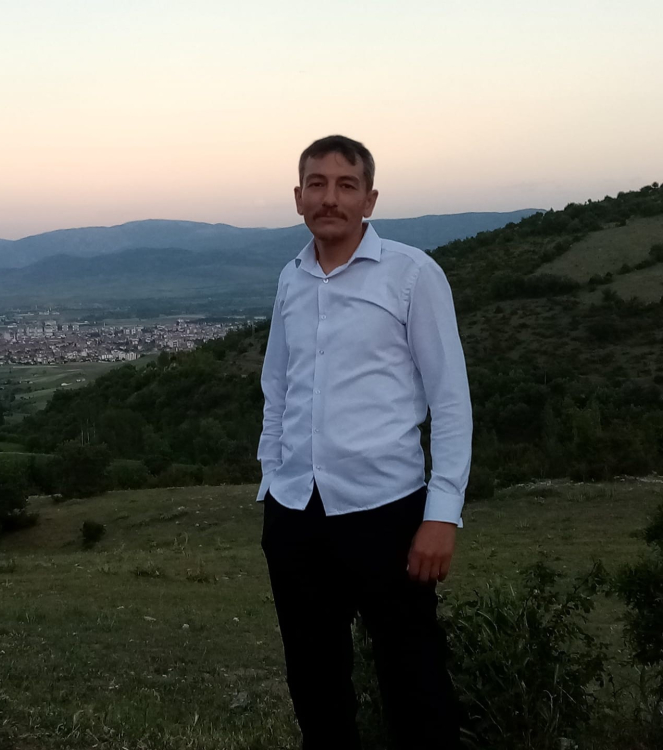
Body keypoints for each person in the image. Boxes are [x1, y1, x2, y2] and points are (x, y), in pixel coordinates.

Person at [256, 135, 472, 749]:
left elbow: (450, 401)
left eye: (346, 185)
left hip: (388, 511)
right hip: (296, 511)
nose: (330, 198)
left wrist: (442, 515)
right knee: (314, 681)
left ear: (369, 200)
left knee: (415, 679)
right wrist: (271, 474)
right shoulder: (291, 278)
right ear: (298, 197)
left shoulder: (413, 275)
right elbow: (277, 386)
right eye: (317, 184)